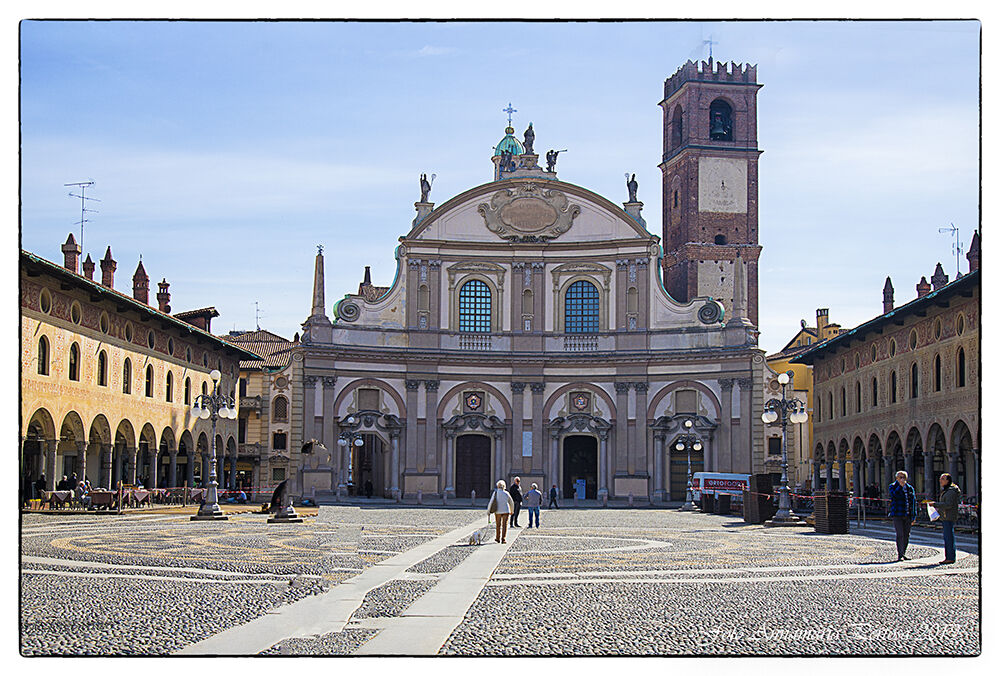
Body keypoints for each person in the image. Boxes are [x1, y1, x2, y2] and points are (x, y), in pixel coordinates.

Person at [887, 470, 917, 561]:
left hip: (907, 514)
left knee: (906, 535)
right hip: (897, 514)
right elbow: (894, 495)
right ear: (896, 478)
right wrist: (900, 486)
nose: (902, 479)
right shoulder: (893, 486)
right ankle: (900, 554)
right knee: (900, 534)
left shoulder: (910, 488)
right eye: (900, 477)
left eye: (903, 477)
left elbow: (913, 502)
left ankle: (903, 552)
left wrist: (914, 516)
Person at [932, 473, 961, 564]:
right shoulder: (947, 490)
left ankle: (950, 557)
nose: (940, 481)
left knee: (949, 538)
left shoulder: (951, 491)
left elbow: (948, 505)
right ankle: (949, 557)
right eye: (940, 479)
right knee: (947, 537)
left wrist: (935, 504)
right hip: (946, 516)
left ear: (948, 480)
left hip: (948, 516)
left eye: (943, 479)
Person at [486, 480, 515, 544]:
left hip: (498, 511)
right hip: (505, 511)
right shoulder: (506, 493)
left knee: (498, 525)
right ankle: (503, 539)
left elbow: (491, 502)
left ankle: (497, 538)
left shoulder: (495, 493)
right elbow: (511, 502)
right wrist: (512, 510)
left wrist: (488, 511)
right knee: (504, 525)